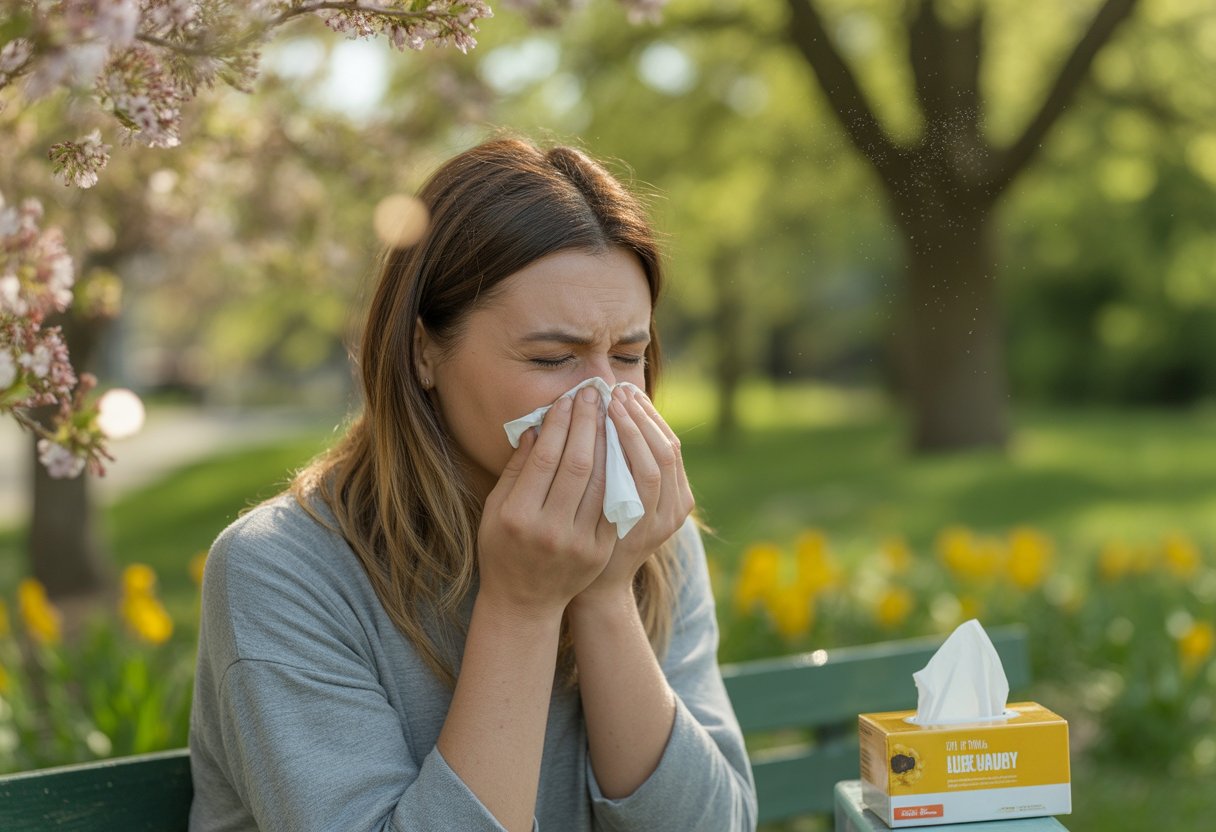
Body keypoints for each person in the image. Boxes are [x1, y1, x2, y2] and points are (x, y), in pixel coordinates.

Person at [188, 137, 758, 832]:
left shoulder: (644, 539)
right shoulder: (280, 571)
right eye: (553, 357)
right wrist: (521, 606)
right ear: (424, 350)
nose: (603, 398)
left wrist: (607, 594)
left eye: (629, 355)